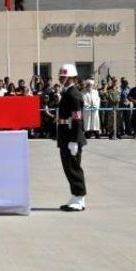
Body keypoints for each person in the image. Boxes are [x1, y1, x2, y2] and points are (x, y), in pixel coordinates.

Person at [56, 64, 88, 212]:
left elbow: (77, 119)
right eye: (61, 76)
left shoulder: (73, 94)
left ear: (72, 78)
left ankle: (80, 198)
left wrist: (74, 140)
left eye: (65, 77)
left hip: (71, 136)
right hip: (66, 135)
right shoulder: (67, 92)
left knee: (74, 168)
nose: (62, 79)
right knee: (68, 168)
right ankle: (75, 196)